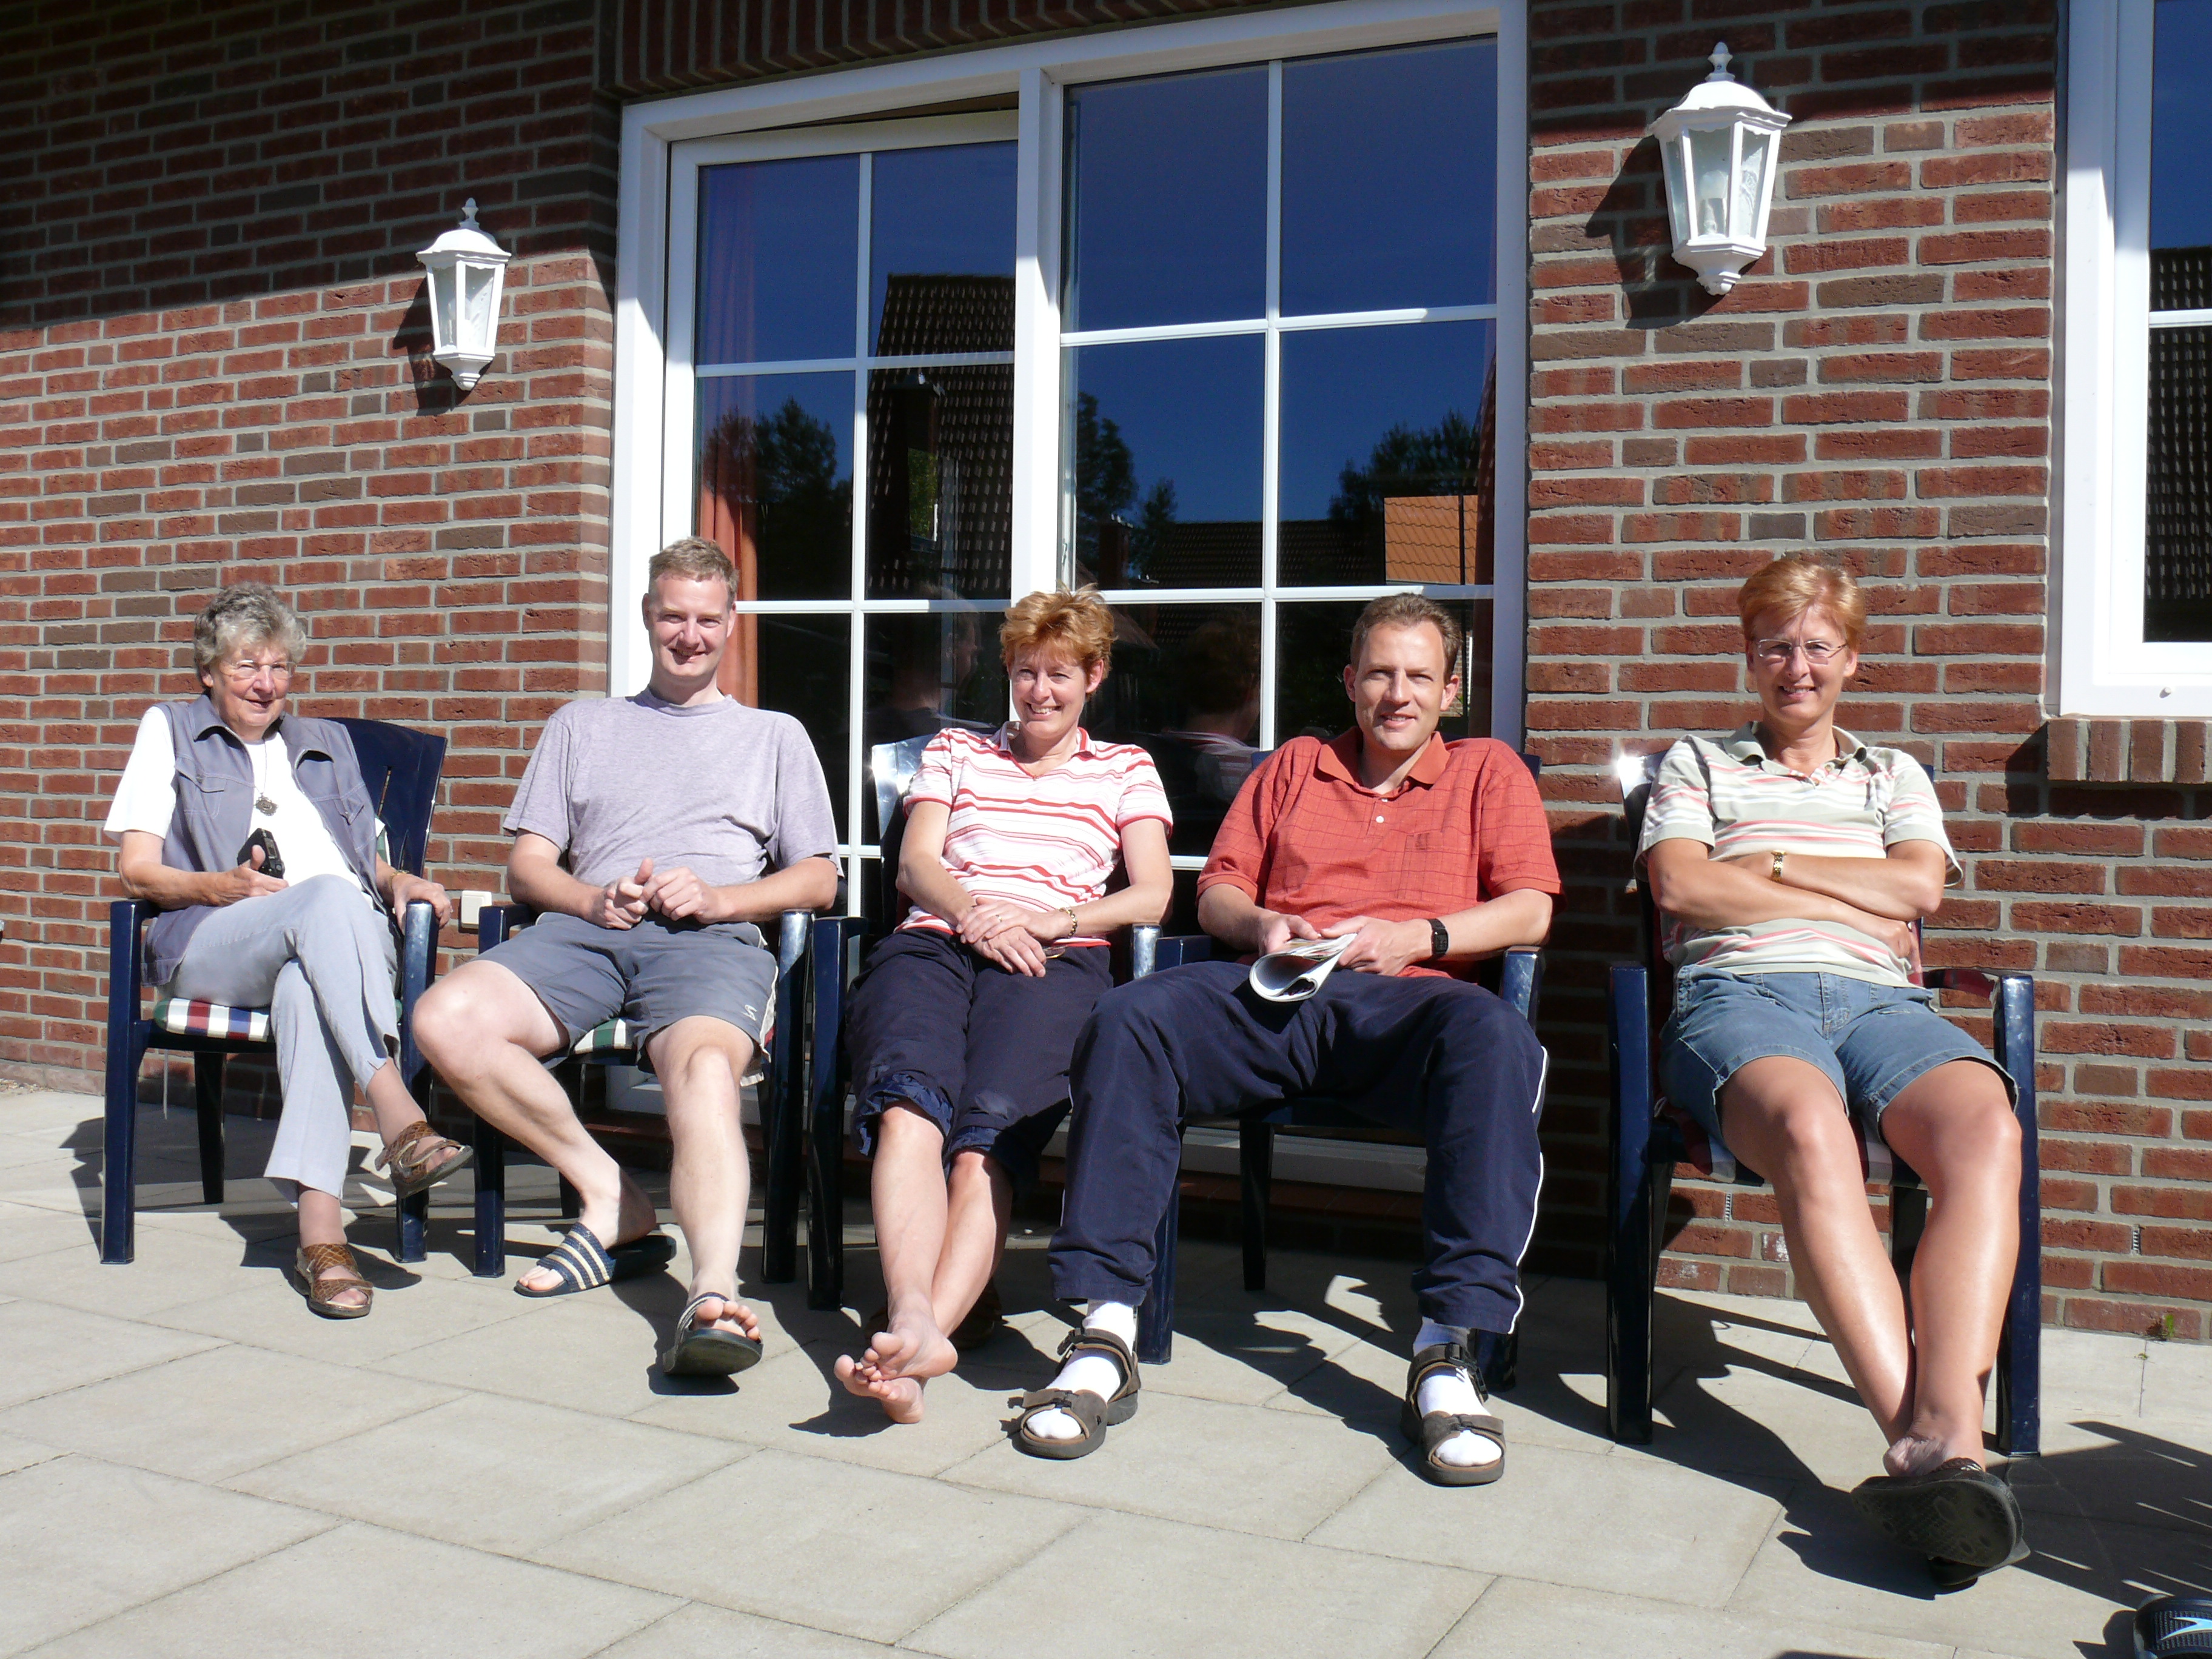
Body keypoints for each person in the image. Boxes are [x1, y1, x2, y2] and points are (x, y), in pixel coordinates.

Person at [1018, 593, 1558, 1483]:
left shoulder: (1487, 771)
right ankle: (1105, 1327)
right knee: (1131, 1018)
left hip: (1407, 1007)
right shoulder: (1297, 765)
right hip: (1276, 994)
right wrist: (1263, 923)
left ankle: (1449, 1348)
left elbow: (1531, 909)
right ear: (1349, 681)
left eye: (1418, 676)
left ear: (1450, 690)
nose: (1397, 694)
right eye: (1379, 673)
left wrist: (1418, 936)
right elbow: (1218, 892)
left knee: (1497, 1040)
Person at [1638, 554, 2026, 1583]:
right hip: (1739, 999)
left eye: (1817, 646)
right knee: (1812, 1131)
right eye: (1775, 646)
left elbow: (1919, 893)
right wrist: (1850, 894)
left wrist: (1769, 864)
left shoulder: (1891, 774)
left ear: (1851, 659)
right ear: (1748, 656)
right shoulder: (1697, 763)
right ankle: (1938, 1452)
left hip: (1882, 1005)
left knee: (1985, 1128)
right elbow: (1682, 887)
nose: (1796, 667)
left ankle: (1941, 1438)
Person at [412, 538, 839, 1376]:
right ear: (647, 617)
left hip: (709, 941)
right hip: (589, 932)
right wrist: (590, 898)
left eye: (706, 619)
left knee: (703, 1072)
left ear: (731, 623)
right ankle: (613, 1193)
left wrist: (721, 898)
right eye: (673, 616)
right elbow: (528, 867)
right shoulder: (582, 724)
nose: (689, 636)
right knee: (445, 1017)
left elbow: (819, 879)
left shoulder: (774, 737)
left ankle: (712, 1294)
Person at [836, 588, 1173, 1423]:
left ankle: (917, 1340)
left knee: (986, 1130)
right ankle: (918, 1321)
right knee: (909, 1106)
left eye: (1060, 674)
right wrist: (975, 914)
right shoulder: (956, 750)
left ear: (1094, 676)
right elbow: (917, 865)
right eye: (1026, 673)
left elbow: (1153, 894)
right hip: (936, 943)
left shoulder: (1126, 768)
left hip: (1052, 958)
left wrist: (1052, 920)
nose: (1040, 692)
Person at [106, 583, 466, 1318]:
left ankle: (321, 1242)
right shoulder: (170, 729)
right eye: (246, 666)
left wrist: (402, 882)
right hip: (219, 937)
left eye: (279, 666)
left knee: (311, 974)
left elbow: (366, 863)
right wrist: (220, 886)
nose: (265, 683)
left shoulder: (326, 744)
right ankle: (395, 1106)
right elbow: (136, 872)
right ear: (208, 672)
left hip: (339, 945)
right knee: (324, 900)